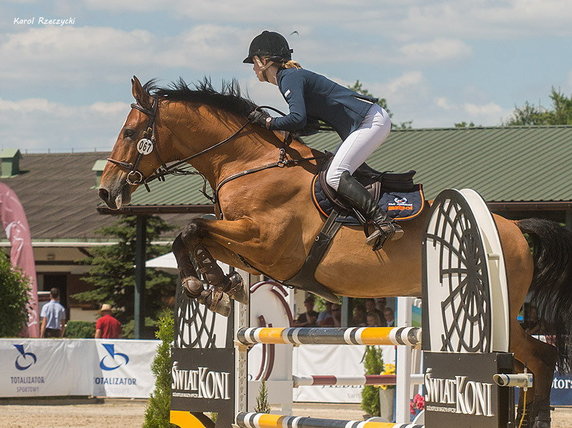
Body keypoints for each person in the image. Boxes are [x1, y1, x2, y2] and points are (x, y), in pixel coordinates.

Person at [244, 30, 403, 250]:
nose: (253, 69)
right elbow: (308, 124)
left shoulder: (289, 77)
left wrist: (268, 122)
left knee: (335, 175)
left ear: (264, 61)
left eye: (253, 62)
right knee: (333, 170)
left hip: (369, 120)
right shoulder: (289, 78)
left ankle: (382, 221)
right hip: (367, 121)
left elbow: (297, 118)